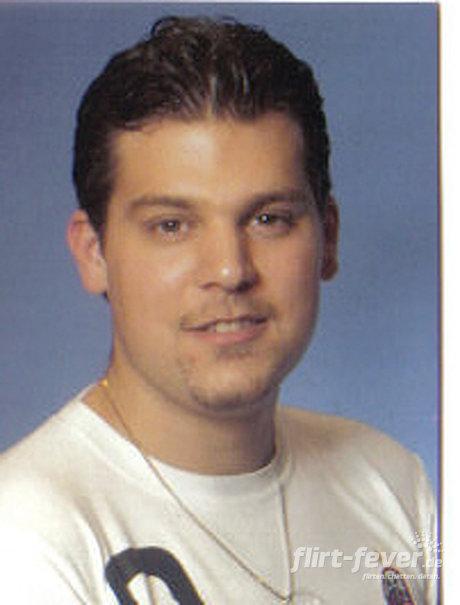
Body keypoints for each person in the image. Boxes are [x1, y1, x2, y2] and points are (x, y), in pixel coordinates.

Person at [0, 16, 437, 605]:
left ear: (328, 237)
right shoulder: (26, 536)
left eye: (268, 219)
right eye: (172, 226)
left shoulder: (391, 483)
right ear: (94, 253)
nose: (230, 270)